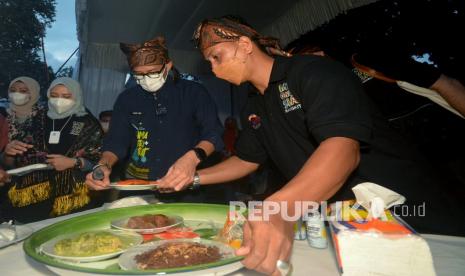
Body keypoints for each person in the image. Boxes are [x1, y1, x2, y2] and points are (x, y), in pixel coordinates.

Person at [155, 16, 465, 275]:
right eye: (209, 61)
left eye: (216, 56)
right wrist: (190, 177)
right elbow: (247, 160)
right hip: (348, 227)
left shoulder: (313, 71)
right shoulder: (253, 104)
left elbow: (343, 148)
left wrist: (279, 209)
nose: (213, 68)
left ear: (245, 45)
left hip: (412, 218)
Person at [85, 36, 224, 203]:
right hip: (138, 186)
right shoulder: (127, 99)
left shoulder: (193, 93)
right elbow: (116, 142)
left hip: (185, 187)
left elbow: (213, 133)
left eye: (152, 72)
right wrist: (102, 166)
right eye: (139, 74)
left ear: (168, 66)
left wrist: (192, 158)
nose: (146, 79)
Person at [1, 77, 103, 223]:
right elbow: (10, 165)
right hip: (33, 197)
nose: (59, 100)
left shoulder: (87, 124)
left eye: (66, 97)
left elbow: (101, 164)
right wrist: (8, 153)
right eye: (54, 96)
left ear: (77, 96)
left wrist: (74, 162)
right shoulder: (35, 119)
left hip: (73, 199)